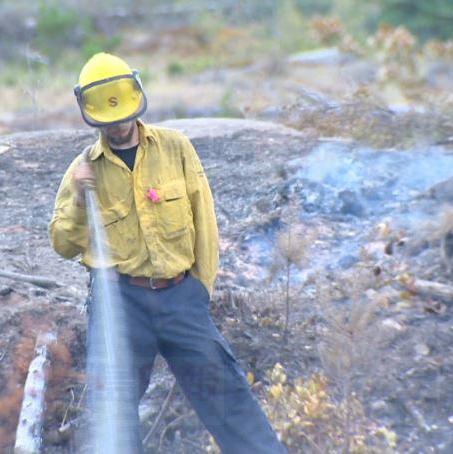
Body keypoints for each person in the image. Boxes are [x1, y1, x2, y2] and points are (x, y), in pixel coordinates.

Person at [48, 52, 286, 453]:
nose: (118, 125)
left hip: (181, 298)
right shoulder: (83, 168)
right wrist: (77, 196)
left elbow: (204, 223)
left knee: (229, 399)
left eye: (122, 114)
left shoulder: (176, 149)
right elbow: (62, 245)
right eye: (108, 120)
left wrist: (199, 291)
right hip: (119, 304)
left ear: (135, 100)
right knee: (115, 416)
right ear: (92, 116)